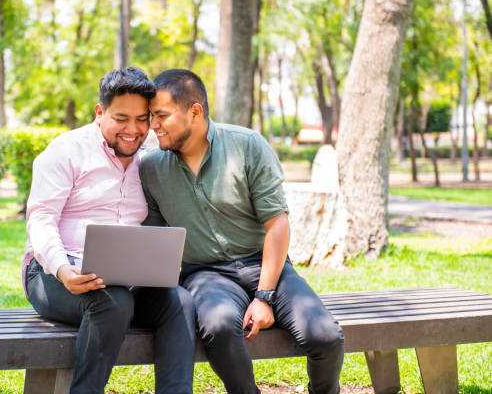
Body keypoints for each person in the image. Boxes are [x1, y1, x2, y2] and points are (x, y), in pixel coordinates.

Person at [139, 69, 344, 394]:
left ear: (195, 111)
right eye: (152, 116)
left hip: (263, 264)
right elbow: (154, 239)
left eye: (161, 115)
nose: (153, 125)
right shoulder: (150, 169)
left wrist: (264, 296)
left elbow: (277, 223)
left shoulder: (247, 146)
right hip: (204, 275)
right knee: (219, 326)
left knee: (325, 336)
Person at [22, 66, 196, 394]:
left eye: (142, 119)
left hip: (125, 279)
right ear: (99, 112)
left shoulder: (150, 161)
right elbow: (41, 219)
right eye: (121, 118)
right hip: (53, 276)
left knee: (182, 303)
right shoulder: (66, 151)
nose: (133, 130)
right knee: (113, 302)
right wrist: (63, 270)